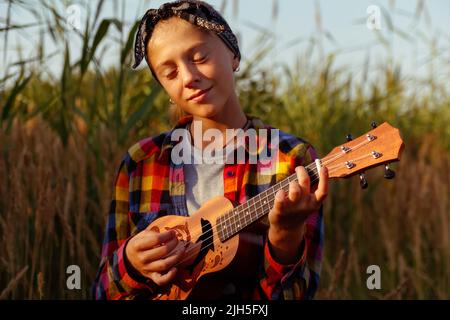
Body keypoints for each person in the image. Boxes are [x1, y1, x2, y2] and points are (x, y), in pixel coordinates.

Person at [92, 0, 328, 300]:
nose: (189, 77)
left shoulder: (290, 160)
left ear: (233, 54)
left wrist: (286, 235)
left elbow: (296, 295)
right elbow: (102, 292)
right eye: (170, 73)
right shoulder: (141, 163)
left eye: (200, 56)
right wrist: (130, 264)